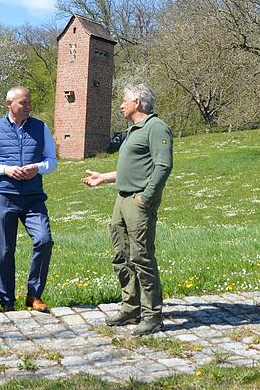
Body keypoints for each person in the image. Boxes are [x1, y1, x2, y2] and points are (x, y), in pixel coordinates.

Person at [81, 83, 173, 336]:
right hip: (121, 200)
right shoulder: (134, 130)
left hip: (137, 203)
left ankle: (152, 315)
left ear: (138, 103)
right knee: (121, 256)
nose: (121, 105)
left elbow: (163, 166)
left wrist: (146, 198)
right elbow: (130, 169)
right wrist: (103, 178)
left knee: (141, 257)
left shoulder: (156, 128)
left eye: (124, 100)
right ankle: (130, 307)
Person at [0, 86, 58, 313]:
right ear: (9, 104)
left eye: (29, 102)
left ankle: (34, 295)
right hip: (4, 197)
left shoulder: (40, 128)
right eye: (23, 103)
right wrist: (6, 170)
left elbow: (52, 160)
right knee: (4, 251)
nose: (28, 106)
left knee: (44, 240)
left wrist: (38, 168)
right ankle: (6, 301)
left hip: (33, 198)